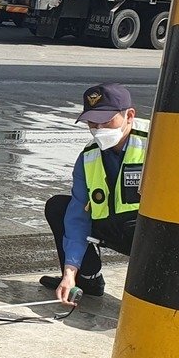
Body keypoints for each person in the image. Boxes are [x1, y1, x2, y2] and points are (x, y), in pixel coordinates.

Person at [41, 83, 149, 305]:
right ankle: (87, 279)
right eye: (93, 122)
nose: (99, 128)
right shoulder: (88, 157)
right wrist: (69, 273)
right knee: (59, 208)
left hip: (150, 234)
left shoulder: (158, 142)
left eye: (107, 121)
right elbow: (77, 218)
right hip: (113, 228)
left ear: (129, 115)